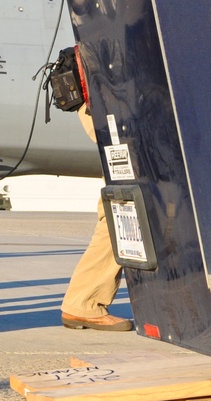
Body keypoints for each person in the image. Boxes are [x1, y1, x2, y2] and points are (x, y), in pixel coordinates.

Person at [60, 104, 133, 331]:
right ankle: (84, 302)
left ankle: (84, 301)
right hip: (115, 99)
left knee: (130, 200)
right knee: (130, 201)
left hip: (109, 98)